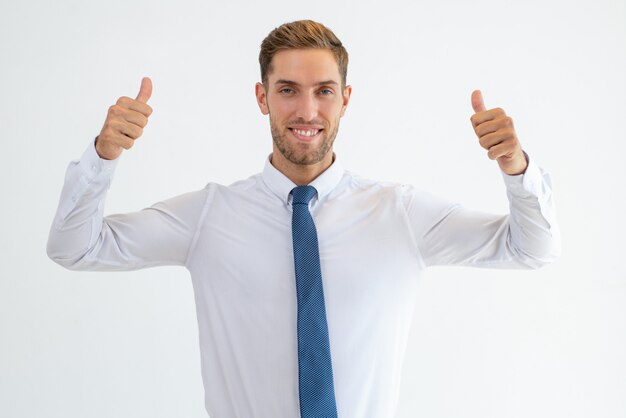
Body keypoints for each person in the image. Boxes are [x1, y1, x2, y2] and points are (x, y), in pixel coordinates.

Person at [47, 19, 560, 418]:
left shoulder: (398, 212)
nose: (307, 110)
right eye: (288, 89)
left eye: (324, 91)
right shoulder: (209, 215)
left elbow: (530, 248)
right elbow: (76, 247)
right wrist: (102, 158)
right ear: (261, 97)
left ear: (346, 99)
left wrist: (517, 169)